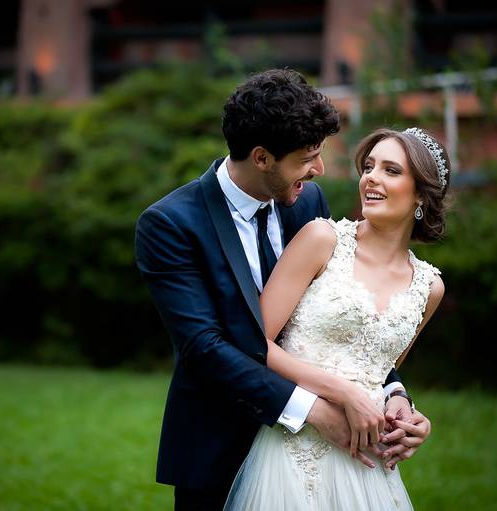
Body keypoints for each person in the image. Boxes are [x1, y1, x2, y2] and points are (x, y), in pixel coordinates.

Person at [134, 69, 431, 511]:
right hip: (219, 446)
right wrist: (314, 411)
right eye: (307, 157)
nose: (319, 170)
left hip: (326, 463)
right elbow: (204, 348)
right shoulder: (171, 225)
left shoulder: (308, 203)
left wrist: (394, 395)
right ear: (261, 158)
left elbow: (337, 321)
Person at [223, 126, 450, 510]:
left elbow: (381, 373)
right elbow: (254, 343)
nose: (372, 178)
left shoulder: (429, 288)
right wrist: (342, 392)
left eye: (391, 170)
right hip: (292, 452)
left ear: (421, 195)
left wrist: (404, 410)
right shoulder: (321, 240)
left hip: (364, 462)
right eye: (369, 166)